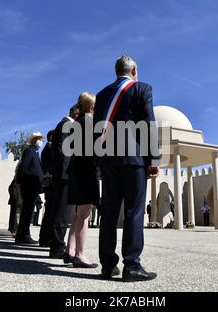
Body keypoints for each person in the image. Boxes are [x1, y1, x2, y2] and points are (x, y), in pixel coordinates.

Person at [94, 55, 159, 282]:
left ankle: (107, 265)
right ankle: (132, 265)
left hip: (109, 161)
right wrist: (153, 160)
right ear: (133, 70)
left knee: (109, 213)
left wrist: (99, 163)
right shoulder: (142, 89)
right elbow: (149, 124)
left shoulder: (102, 95)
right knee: (134, 211)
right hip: (134, 160)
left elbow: (95, 131)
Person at [65, 92, 100, 268]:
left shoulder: (77, 123)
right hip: (86, 171)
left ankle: (70, 250)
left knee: (79, 214)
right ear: (92, 107)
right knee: (85, 214)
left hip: (76, 169)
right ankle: (79, 255)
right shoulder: (90, 122)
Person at [49, 106, 79, 258]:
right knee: (62, 212)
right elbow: (63, 151)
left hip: (63, 173)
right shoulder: (67, 124)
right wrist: (67, 172)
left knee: (62, 211)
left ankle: (57, 244)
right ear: (76, 112)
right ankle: (57, 247)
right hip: (65, 175)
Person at [15, 132, 45, 245]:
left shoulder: (36, 153)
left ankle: (22, 235)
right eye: (39, 139)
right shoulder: (29, 151)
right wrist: (20, 182)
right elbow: (23, 167)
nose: (41, 141)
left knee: (28, 212)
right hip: (29, 185)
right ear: (34, 140)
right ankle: (23, 236)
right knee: (27, 212)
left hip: (34, 186)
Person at [39, 130, 55, 247]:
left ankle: (45, 237)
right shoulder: (50, 148)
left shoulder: (47, 148)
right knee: (50, 211)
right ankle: (46, 238)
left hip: (49, 183)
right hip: (51, 183)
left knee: (50, 210)